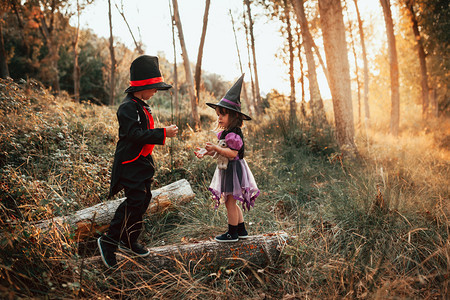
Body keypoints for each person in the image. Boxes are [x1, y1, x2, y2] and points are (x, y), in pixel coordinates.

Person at [98, 55, 178, 268]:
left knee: (143, 198)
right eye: (154, 89)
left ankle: (129, 239)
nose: (155, 93)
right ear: (144, 87)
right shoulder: (127, 107)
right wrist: (163, 133)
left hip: (141, 162)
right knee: (134, 200)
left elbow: (143, 133)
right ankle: (109, 241)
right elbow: (134, 134)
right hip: (129, 163)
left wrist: (159, 134)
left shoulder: (140, 104)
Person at [194, 74, 260, 242]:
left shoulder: (234, 134)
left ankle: (232, 233)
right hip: (229, 170)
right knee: (232, 201)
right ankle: (241, 230)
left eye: (223, 114)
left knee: (230, 202)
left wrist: (216, 148)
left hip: (234, 169)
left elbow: (232, 153)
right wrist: (205, 152)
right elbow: (221, 151)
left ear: (234, 116)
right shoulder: (225, 133)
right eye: (218, 115)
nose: (219, 118)